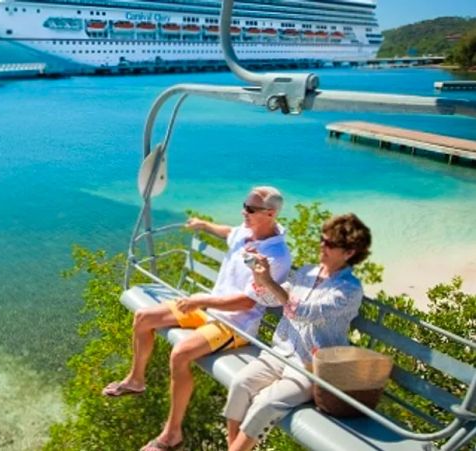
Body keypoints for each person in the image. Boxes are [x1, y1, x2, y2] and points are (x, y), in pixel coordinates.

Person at [102, 186, 292, 451]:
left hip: (235, 325)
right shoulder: (244, 231)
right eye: (243, 205)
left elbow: (248, 301)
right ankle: (136, 380)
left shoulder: (276, 255)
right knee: (144, 317)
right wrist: (204, 225)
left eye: (250, 209)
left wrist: (201, 300)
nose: (243, 212)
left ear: (270, 214)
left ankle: (172, 435)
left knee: (180, 353)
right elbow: (229, 232)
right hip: (209, 311)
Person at [223, 213, 372, 451]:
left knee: (265, 403)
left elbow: (302, 311)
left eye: (330, 244)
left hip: (311, 368)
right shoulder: (307, 272)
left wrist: (269, 281)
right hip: (279, 352)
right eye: (323, 239)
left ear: (349, 253)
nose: (322, 246)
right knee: (240, 385)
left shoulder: (349, 289)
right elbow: (273, 298)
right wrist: (259, 276)